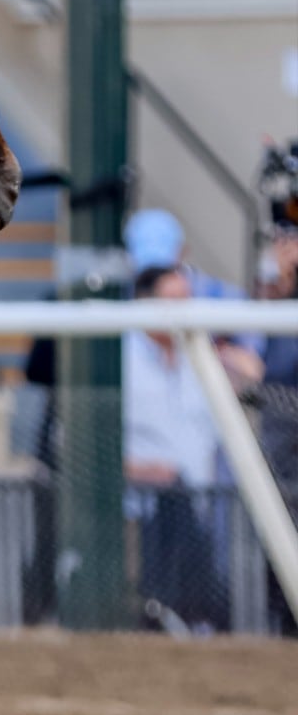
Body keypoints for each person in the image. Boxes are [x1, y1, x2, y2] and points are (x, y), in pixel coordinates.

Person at [124, 265, 259, 631]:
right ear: (145, 303)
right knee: (146, 621)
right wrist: (140, 471)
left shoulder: (201, 357)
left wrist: (227, 350)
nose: (184, 310)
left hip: (199, 521)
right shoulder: (117, 359)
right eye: (174, 301)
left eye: (188, 299)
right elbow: (77, 442)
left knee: (207, 619)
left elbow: (253, 379)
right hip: (139, 518)